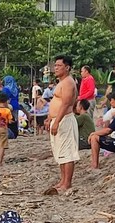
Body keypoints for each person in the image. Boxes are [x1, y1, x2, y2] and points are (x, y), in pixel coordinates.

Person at [45, 55, 79, 194]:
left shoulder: (68, 82)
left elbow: (65, 103)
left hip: (64, 119)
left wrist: (57, 121)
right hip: (57, 119)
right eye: (55, 66)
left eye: (59, 66)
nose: (56, 68)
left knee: (67, 152)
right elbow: (56, 102)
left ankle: (67, 183)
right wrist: (49, 118)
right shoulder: (61, 82)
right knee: (60, 152)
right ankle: (63, 180)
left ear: (67, 67)